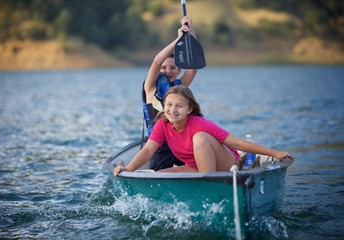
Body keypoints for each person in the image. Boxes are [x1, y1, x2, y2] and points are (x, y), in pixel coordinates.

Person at [115, 85, 294, 176]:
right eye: (169, 105)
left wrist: (275, 153)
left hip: (223, 164)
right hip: (196, 169)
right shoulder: (163, 124)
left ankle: (209, 183)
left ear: (189, 109)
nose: (172, 110)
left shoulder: (200, 124)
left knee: (200, 138)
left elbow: (237, 143)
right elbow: (147, 150)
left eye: (179, 106)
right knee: (159, 177)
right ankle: (201, 182)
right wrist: (129, 169)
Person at [142, 16, 198, 171]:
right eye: (164, 68)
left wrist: (190, 30)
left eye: (172, 68)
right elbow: (156, 62)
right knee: (160, 172)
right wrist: (179, 39)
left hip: (182, 139)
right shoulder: (151, 87)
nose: (168, 71)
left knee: (193, 168)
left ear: (179, 70)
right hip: (160, 143)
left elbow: (193, 65)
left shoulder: (180, 86)